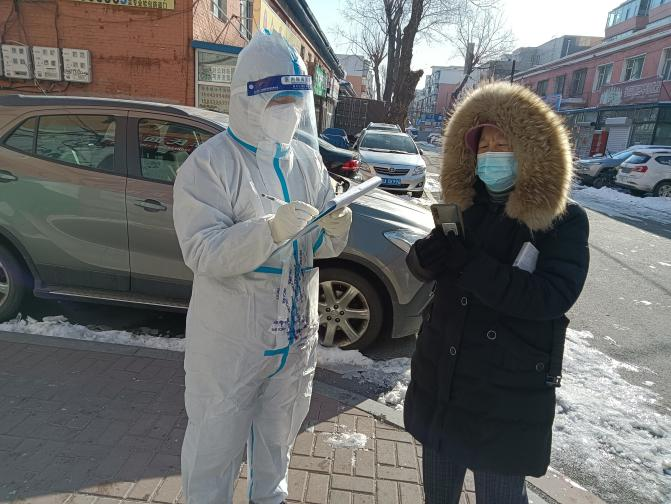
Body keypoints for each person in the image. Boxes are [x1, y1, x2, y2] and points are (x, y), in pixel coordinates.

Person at [173, 31, 351, 504]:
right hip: (231, 344)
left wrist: (333, 230)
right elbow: (202, 250)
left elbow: (315, 247)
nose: (289, 112)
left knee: (277, 444)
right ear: (248, 100)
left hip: (294, 338)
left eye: (295, 101)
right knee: (214, 448)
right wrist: (268, 231)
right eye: (278, 101)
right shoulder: (210, 165)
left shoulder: (308, 163)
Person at [404, 82, 590, 504]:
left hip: (504, 397)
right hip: (444, 382)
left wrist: (470, 265)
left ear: (529, 150)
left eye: (503, 144)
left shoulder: (562, 221)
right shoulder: (465, 207)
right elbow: (425, 270)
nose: (491, 155)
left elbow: (551, 296)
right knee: (438, 496)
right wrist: (424, 257)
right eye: (484, 146)